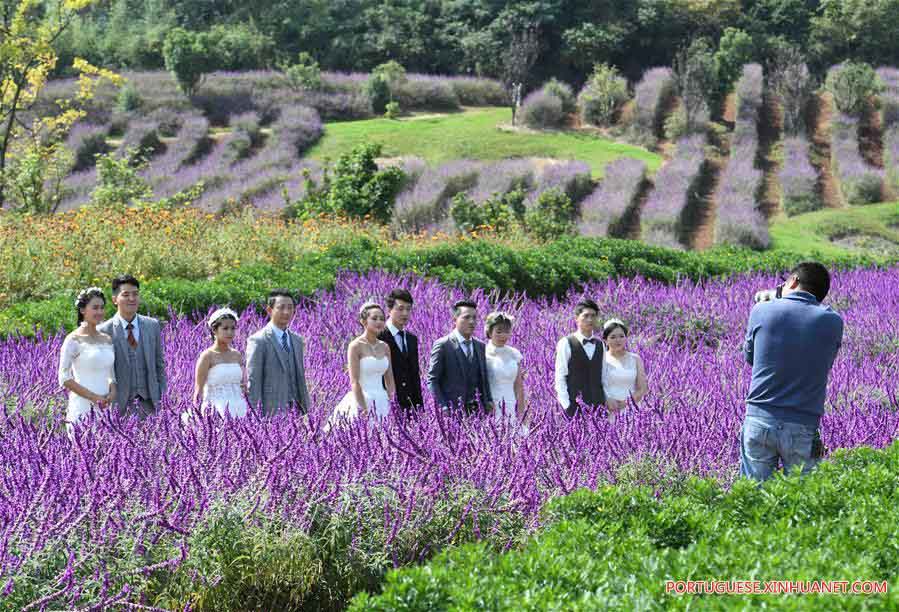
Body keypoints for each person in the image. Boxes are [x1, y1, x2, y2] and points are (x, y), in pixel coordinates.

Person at [740, 262, 844, 482]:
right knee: (801, 501)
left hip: (760, 419)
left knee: (752, 500)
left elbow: (750, 357)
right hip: (802, 425)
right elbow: (825, 362)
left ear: (793, 281)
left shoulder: (761, 310)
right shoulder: (833, 322)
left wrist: (772, 299)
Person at [97, 275, 166, 418]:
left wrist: (162, 395)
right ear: (115, 299)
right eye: (126, 295)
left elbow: (159, 364)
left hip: (150, 403)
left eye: (135, 294)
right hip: (119, 406)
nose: (132, 299)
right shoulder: (104, 330)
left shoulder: (152, 325)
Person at [329, 302, 396, 426]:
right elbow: (354, 381)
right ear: (364, 321)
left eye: (382, 319)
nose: (379, 322)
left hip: (382, 400)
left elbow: (389, 378)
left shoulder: (385, 347)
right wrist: (363, 408)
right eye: (374, 318)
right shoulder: (355, 346)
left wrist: (392, 402)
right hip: (362, 398)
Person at [58, 287, 117, 429]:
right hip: (83, 406)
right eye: (95, 308)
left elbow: (111, 374)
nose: (99, 312)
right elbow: (64, 377)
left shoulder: (107, 339)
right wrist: (93, 397)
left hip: (105, 407)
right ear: (83, 310)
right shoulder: (73, 340)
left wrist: (112, 391)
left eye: (102, 308)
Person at [246, 289, 311, 415]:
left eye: (290, 308)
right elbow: (253, 380)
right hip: (271, 410)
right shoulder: (258, 340)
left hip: (297, 409)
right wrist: (254, 415)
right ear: (269, 310)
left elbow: (300, 377)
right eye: (281, 308)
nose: (286, 312)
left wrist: (306, 408)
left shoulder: (297, 340)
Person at [427, 299, 494, 414]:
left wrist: (488, 400)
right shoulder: (443, 345)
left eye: (474, 318)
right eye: (466, 317)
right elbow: (432, 380)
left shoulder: (481, 346)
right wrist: (442, 406)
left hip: (479, 412)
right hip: (453, 411)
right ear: (455, 320)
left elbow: (484, 378)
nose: (472, 322)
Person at [188, 308, 249, 421]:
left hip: (239, 408)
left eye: (233, 328)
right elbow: (199, 390)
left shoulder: (237, 355)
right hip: (215, 410)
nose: (230, 332)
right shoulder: (207, 356)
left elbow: (243, 385)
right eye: (225, 328)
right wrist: (197, 416)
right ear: (214, 330)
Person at [555, 298, 606, 418]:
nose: (590, 319)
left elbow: (603, 376)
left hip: (598, 406)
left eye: (593, 316)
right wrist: (566, 405)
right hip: (574, 407)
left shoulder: (600, 344)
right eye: (586, 316)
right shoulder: (566, 343)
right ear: (576, 318)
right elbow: (560, 377)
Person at [378, 288, 423, 412]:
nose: (405, 313)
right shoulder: (379, 336)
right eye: (400, 309)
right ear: (389, 310)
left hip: (410, 406)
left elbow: (415, 375)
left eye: (408, 309)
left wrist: (420, 408)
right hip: (386, 405)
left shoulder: (411, 339)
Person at [601, 318, 648, 419]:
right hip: (608, 409)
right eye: (613, 337)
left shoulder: (635, 359)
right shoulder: (601, 359)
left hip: (632, 409)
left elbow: (642, 388)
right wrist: (607, 400)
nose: (618, 340)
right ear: (605, 340)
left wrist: (626, 403)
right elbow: (596, 385)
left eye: (621, 336)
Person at [484, 311, 525, 425]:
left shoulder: (514, 354)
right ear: (489, 332)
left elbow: (519, 387)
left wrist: (522, 414)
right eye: (499, 332)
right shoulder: (483, 353)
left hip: (511, 405)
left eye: (507, 332)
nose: (503, 336)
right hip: (491, 407)